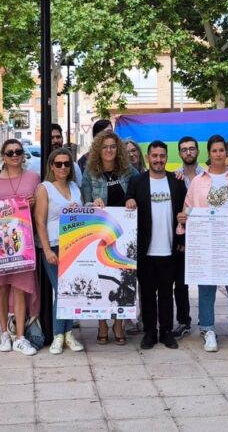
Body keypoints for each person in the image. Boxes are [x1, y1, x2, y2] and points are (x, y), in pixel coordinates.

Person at [179, 135, 228, 353]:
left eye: (222, 150)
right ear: (209, 153)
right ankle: (207, 329)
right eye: (214, 151)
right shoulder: (198, 181)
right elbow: (188, 207)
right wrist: (183, 218)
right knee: (206, 287)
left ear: (226, 152)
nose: (219, 154)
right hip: (206, 242)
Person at [0, 139, 40, 356]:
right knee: (1, 288)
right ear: (3, 156)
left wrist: (33, 203)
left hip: (22, 243)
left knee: (20, 288)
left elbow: (41, 205)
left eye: (18, 151)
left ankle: (21, 337)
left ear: (23, 154)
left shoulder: (34, 177)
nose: (14, 155)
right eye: (10, 152)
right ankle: (4, 333)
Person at [125, 141, 186, 350]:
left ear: (166, 157)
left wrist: (182, 241)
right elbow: (128, 201)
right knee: (148, 294)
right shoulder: (137, 181)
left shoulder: (176, 181)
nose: (158, 160)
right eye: (154, 156)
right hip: (145, 250)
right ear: (148, 158)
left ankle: (167, 332)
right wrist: (129, 201)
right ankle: (150, 332)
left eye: (162, 156)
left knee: (167, 294)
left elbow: (185, 212)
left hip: (170, 249)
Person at [82, 129, 137, 344]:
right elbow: (84, 202)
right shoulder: (90, 173)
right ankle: (102, 322)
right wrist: (92, 203)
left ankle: (119, 322)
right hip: (99, 232)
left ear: (118, 149)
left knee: (123, 277)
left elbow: (139, 189)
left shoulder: (128, 171)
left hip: (124, 232)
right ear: (98, 149)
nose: (109, 150)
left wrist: (132, 199)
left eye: (113, 147)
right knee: (101, 278)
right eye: (105, 147)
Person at [34, 147, 86, 355]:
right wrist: (47, 249)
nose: (63, 167)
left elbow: (82, 214)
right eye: (58, 164)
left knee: (71, 290)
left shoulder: (75, 187)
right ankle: (58, 335)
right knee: (62, 290)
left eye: (67, 164)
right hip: (54, 244)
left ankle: (68, 334)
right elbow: (40, 221)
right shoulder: (44, 188)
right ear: (52, 167)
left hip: (74, 244)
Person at [171, 136, 204, 338]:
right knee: (180, 282)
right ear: (179, 153)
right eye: (184, 149)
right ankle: (184, 321)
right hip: (182, 237)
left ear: (197, 151)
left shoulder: (207, 175)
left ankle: (206, 321)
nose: (188, 152)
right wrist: (180, 240)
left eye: (191, 149)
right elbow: (176, 210)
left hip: (204, 236)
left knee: (205, 281)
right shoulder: (175, 178)